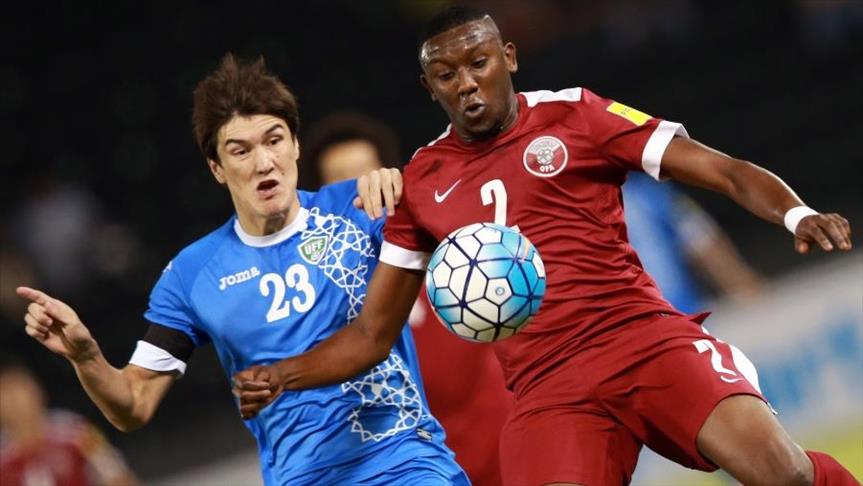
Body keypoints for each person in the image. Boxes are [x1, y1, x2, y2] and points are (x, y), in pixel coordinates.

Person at [231, 7, 858, 486]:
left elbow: (721, 169)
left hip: (642, 339)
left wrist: (795, 213)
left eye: (479, 63)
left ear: (508, 57)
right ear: (430, 88)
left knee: (785, 475)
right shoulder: (421, 183)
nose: (467, 84)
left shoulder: (576, 115)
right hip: (547, 387)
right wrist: (283, 375)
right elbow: (373, 333)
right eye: (447, 75)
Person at [16, 54, 467, 486]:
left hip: (405, 461)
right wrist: (87, 358)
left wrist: (401, 191)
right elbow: (133, 404)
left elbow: (461, 241)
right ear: (216, 167)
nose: (263, 162)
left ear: (295, 145)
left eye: (274, 140)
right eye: (240, 150)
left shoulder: (361, 207)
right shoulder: (193, 275)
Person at [304, 111, 513, 485]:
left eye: (368, 176)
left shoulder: (450, 252)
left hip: (501, 451)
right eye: (341, 182)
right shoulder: (318, 302)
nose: (360, 192)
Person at [623, 171, 765, 314]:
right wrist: (739, 282)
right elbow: (702, 239)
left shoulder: (646, 193)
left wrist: (739, 282)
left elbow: (699, 237)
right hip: (678, 311)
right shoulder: (647, 192)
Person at [0, 356, 138, 486]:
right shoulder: (3, 456)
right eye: (7, 395)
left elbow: (116, 474)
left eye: (20, 391)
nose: (16, 402)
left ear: (38, 391)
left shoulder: (75, 430)